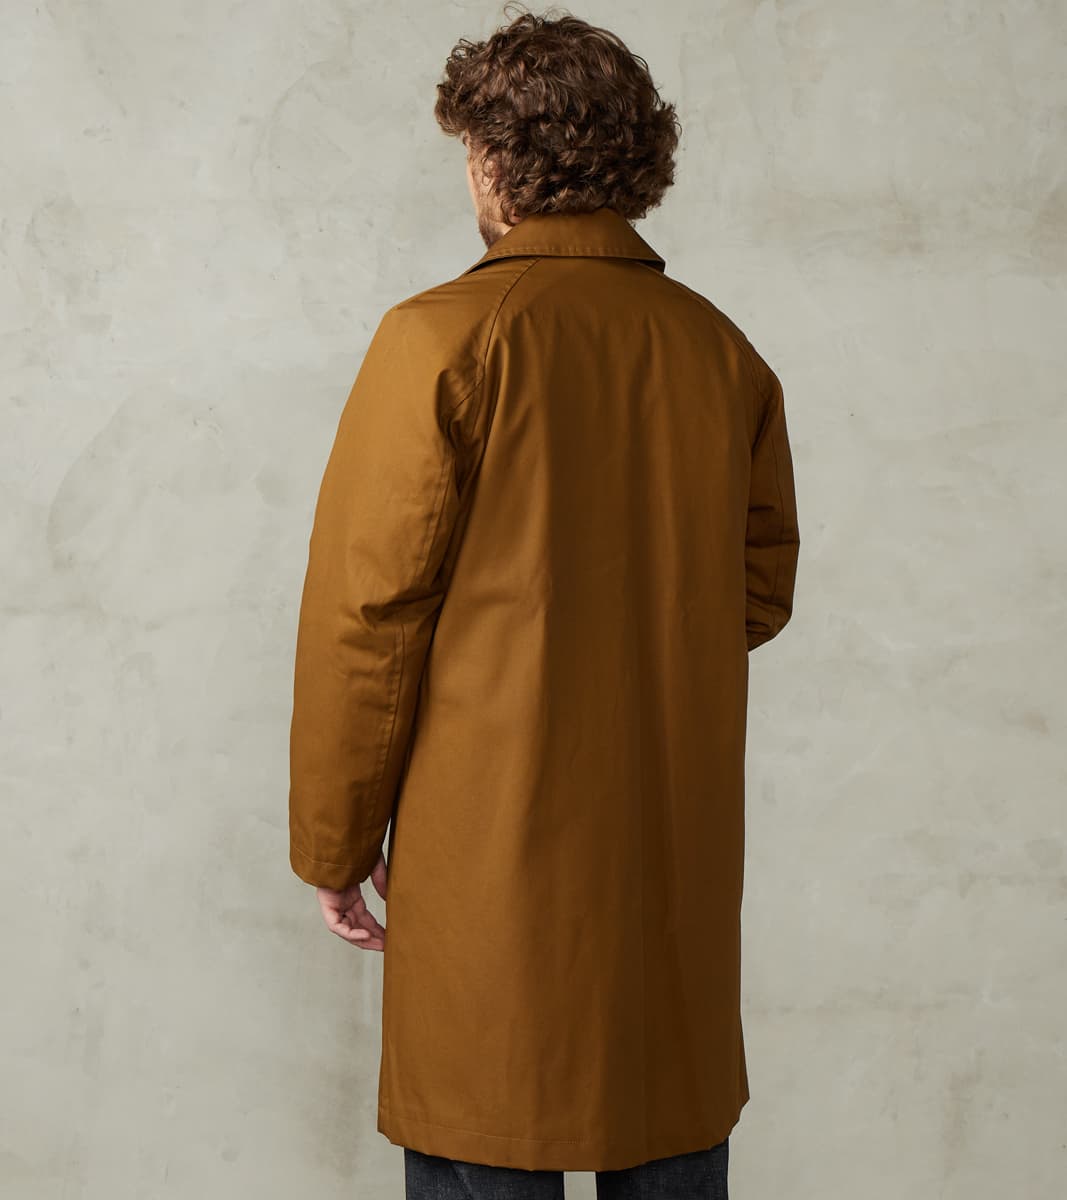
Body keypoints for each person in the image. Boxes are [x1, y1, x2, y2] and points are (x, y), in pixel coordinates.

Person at [287, 7, 800, 1198]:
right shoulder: (718, 352)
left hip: (486, 852)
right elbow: (757, 586)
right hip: (665, 845)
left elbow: (368, 620)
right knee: (665, 1131)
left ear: (490, 159)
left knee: (485, 1123)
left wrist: (334, 841)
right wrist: (642, 640)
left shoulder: (439, 340)